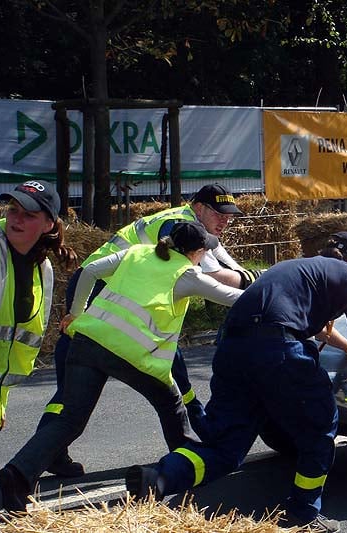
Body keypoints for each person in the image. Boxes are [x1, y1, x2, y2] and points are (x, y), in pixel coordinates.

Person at [124, 231, 347, 533]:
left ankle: (157, 477)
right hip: (278, 350)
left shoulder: (296, 268)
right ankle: (303, 513)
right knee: (320, 425)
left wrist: (345, 347)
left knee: (227, 446)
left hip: (234, 349)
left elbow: (316, 329)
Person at [0, 221, 244, 513]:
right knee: (172, 404)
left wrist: (76, 313)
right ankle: (186, 464)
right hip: (132, 354)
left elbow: (87, 270)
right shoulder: (187, 273)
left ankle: (17, 474)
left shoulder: (137, 252)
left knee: (70, 419)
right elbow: (235, 298)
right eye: (204, 253)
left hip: (87, 341)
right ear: (196, 252)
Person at [37, 183, 260, 477]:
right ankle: (198, 437)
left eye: (230, 216)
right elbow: (212, 275)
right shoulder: (181, 224)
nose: (225, 221)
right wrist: (257, 282)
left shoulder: (195, 226)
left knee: (84, 380)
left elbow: (225, 259)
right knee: (150, 372)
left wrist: (248, 274)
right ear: (200, 208)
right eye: (220, 214)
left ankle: (48, 450)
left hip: (107, 284)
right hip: (104, 288)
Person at [0, 180, 76, 431]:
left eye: (28, 215)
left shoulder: (43, 269)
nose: (16, 219)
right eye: (13, 210)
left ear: (48, 225)